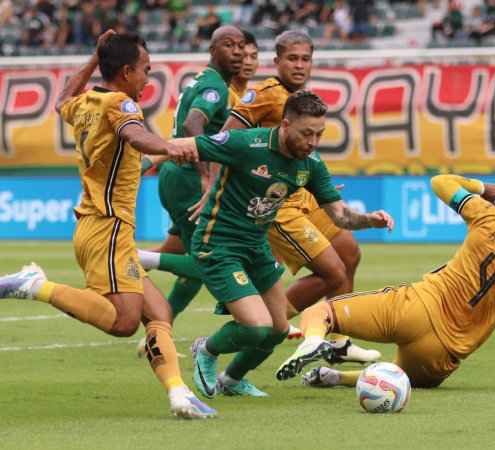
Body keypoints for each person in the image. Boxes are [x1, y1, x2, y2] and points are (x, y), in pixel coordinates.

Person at [0, 30, 215, 419]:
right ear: (128, 71)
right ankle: (35, 285)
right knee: (123, 322)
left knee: (160, 314)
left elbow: (63, 98)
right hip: (109, 229)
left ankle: (179, 394)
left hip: (99, 227)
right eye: (146, 70)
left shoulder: (88, 103)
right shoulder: (120, 104)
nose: (148, 78)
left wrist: (93, 59)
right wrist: (170, 146)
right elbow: (134, 136)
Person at [276, 174, 495, 395]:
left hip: (414, 308)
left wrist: (483, 188)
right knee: (401, 378)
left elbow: (439, 182)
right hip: (441, 354)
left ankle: (314, 341)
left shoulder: (489, 216)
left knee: (321, 312)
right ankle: (336, 378)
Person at [170, 90, 394, 398]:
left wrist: (370, 219)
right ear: (286, 125)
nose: (312, 142)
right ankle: (205, 350)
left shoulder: (311, 164)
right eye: (306, 134)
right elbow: (182, 145)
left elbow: (340, 215)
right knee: (255, 327)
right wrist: (135, 149)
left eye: (319, 134)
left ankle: (231, 381)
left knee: (277, 330)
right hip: (219, 244)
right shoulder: (247, 143)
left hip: (257, 248)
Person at [221, 30, 382, 364]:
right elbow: (227, 140)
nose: (299, 65)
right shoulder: (263, 94)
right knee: (333, 272)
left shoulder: (303, 98)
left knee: (350, 253)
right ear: (277, 61)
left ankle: (338, 343)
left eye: (305, 59)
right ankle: (268, 323)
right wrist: (214, 186)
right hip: (276, 203)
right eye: (291, 59)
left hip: (302, 196)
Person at [135, 26, 245, 357]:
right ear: (213, 50)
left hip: (174, 175)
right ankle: (136, 259)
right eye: (229, 46)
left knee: (186, 253)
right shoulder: (214, 88)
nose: (237, 52)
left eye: (241, 46)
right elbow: (192, 127)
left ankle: (158, 331)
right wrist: (206, 179)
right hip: (187, 180)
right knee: (208, 262)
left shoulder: (201, 81)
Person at [228, 29, 259, 107]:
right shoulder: (223, 93)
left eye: (253, 56)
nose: (249, 62)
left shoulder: (251, 95)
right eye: (243, 56)